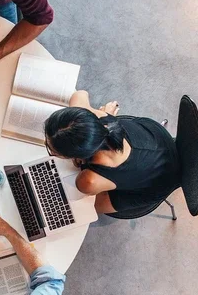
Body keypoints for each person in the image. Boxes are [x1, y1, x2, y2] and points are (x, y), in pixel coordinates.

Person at [44, 90, 180, 214]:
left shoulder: (88, 181)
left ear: (75, 156)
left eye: (51, 151)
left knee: (84, 209)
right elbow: (80, 94)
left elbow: (86, 187)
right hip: (157, 139)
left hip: (159, 183)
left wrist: (82, 163)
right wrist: (102, 114)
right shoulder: (98, 117)